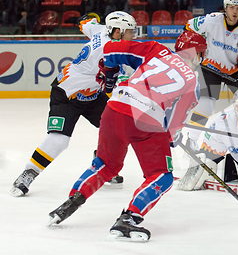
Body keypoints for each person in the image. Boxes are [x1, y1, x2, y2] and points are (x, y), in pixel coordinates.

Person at [48, 30, 206, 242]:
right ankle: (129, 218)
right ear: (197, 55)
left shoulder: (157, 50)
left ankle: (73, 199)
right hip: (146, 121)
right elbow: (175, 124)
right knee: (161, 175)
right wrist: (172, 137)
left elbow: (112, 49)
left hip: (114, 108)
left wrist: (110, 69)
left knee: (105, 164)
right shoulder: (193, 82)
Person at [10, 11, 136, 197]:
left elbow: (85, 22)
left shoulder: (101, 30)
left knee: (119, 129)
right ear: (117, 32)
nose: (133, 35)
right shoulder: (108, 53)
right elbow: (114, 85)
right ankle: (29, 173)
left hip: (92, 96)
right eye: (130, 31)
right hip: (66, 95)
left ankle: (100, 164)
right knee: (58, 140)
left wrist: (88, 19)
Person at [184, 0, 238, 129]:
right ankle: (192, 138)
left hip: (233, 69)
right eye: (232, 7)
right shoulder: (212, 20)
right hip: (210, 68)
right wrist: (196, 51)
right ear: (225, 8)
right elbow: (188, 27)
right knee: (206, 104)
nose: (235, 11)